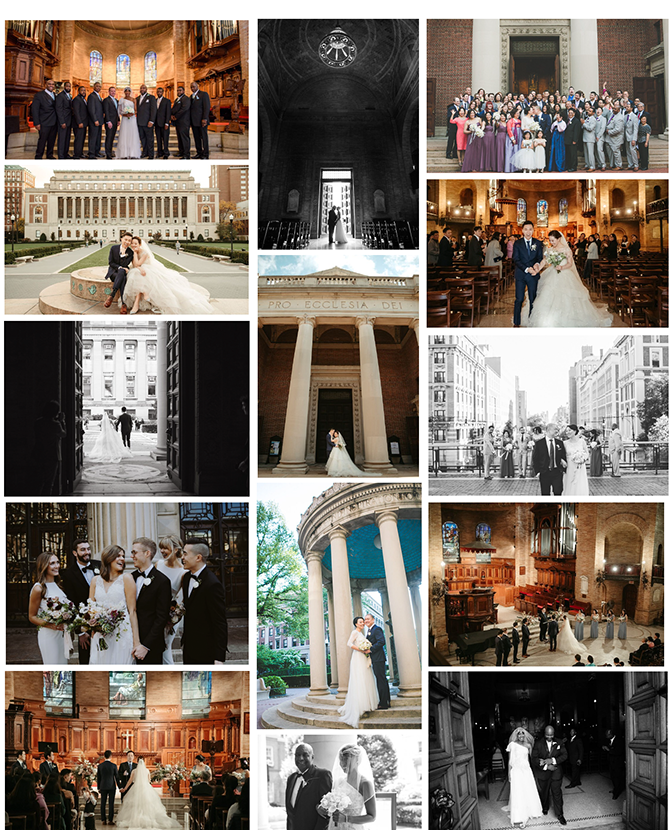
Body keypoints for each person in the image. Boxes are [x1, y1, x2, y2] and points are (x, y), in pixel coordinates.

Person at [520, 231, 612, 328]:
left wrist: (562, 267)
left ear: (559, 239)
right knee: (546, 293)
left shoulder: (566, 249)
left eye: (553, 240)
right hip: (552, 273)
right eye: (550, 240)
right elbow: (544, 260)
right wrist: (538, 268)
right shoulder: (550, 249)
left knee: (566, 296)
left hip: (564, 273)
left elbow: (570, 263)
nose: (551, 242)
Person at [124, 237, 214, 315]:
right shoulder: (133, 253)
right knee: (136, 273)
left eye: (135, 243)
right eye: (132, 243)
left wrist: (136, 258)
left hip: (148, 269)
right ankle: (144, 294)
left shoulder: (145, 253)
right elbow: (136, 265)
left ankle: (137, 303)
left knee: (136, 274)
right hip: (141, 270)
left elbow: (138, 264)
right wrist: (136, 258)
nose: (133, 245)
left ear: (140, 244)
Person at [88, 544, 139, 664]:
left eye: (123, 556)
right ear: (108, 558)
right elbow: (91, 609)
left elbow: (132, 611)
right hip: (100, 633)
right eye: (118, 556)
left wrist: (136, 641)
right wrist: (93, 629)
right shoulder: (95, 580)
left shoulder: (127, 578)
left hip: (122, 632)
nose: (122, 559)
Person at [181, 539, 228, 664]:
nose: (182, 557)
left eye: (185, 554)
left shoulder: (212, 584)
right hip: (189, 647)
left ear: (198, 557)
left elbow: (220, 622)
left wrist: (219, 657)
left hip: (206, 650)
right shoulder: (186, 578)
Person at [131, 537, 171, 664]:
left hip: (150, 646)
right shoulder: (129, 578)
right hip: (128, 641)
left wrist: (146, 646)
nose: (132, 556)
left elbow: (161, 617)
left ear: (147, 553)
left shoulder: (162, 581)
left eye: (134, 552)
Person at [317, 745, 376, 830]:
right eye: (341, 759)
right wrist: (324, 808)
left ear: (357, 760)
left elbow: (372, 817)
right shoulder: (339, 782)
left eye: (346, 759)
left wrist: (346, 819)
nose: (343, 763)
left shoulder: (365, 784)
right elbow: (333, 808)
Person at [28, 552, 70, 664]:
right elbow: (32, 617)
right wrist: (51, 625)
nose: (57, 566)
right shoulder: (39, 588)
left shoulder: (58, 585)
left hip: (61, 634)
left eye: (57, 562)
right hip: (48, 634)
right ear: (44, 566)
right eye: (52, 563)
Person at [117, 758, 181, 829]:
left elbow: (130, 781)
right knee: (147, 804)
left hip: (136, 788)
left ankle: (135, 819)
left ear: (137, 762)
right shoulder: (147, 771)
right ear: (144, 762)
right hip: (146, 788)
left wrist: (125, 788)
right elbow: (149, 781)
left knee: (136, 804)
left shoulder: (134, 771)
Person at [338, 617, 379, 727]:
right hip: (358, 657)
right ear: (356, 624)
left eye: (363, 622)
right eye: (360, 622)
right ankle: (360, 706)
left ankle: (367, 704)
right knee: (359, 679)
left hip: (364, 657)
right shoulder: (354, 632)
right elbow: (349, 643)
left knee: (366, 679)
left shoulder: (363, 634)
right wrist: (361, 650)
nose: (363, 623)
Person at [286, 743, 332, 830]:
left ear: (312, 757)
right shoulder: (291, 778)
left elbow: (326, 813)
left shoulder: (322, 775)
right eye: (297, 755)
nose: (300, 758)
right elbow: (290, 813)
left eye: (305, 755)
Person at [156, 535, 186, 664]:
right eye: (161, 548)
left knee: (165, 648)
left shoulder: (183, 572)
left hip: (171, 614)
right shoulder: (158, 564)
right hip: (154, 611)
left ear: (175, 549)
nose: (162, 551)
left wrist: (174, 618)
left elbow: (184, 600)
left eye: (165, 548)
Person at [507, 727, 543, 829]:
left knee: (527, 790)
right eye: (519, 734)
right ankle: (519, 817)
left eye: (523, 734)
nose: (521, 736)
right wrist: (509, 773)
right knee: (518, 792)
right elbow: (510, 761)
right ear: (516, 735)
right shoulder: (512, 745)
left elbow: (532, 758)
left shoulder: (528, 745)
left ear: (525, 735)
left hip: (526, 771)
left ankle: (529, 811)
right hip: (516, 771)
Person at [531, 726, 567, 826]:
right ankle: (545, 808)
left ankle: (560, 815)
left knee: (557, 793)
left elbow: (565, 755)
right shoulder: (538, 744)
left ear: (554, 733)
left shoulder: (559, 742)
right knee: (544, 792)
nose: (550, 737)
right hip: (543, 773)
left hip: (556, 772)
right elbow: (534, 759)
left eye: (551, 735)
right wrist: (546, 766)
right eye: (547, 735)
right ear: (544, 734)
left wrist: (553, 761)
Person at [512, 221, 544, 327]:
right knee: (519, 298)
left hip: (533, 275)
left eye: (530, 229)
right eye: (526, 229)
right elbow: (516, 259)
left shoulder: (538, 243)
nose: (528, 232)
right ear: (522, 230)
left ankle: (532, 321)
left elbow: (540, 257)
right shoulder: (517, 243)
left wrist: (536, 264)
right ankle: (516, 322)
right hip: (521, 274)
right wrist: (526, 269)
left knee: (532, 298)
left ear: (533, 230)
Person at [364, 613, 391, 709]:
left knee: (381, 680)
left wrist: (370, 649)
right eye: (365, 619)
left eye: (368, 619)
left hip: (379, 658)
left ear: (373, 620)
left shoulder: (377, 629)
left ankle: (384, 703)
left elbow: (381, 641)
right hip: (375, 659)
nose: (366, 620)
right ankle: (386, 701)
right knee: (381, 679)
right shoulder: (369, 631)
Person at [532, 423, 567, 496]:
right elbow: (535, 458)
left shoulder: (559, 443)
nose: (557, 430)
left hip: (557, 472)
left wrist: (563, 465)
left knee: (558, 492)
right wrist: (537, 471)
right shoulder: (539, 443)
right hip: (544, 472)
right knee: (545, 494)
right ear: (549, 430)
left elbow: (563, 455)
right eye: (555, 429)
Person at [103, 232, 134, 312]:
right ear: (121, 239)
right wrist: (120, 267)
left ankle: (112, 296)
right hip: (113, 272)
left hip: (121, 273)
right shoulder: (114, 248)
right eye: (125, 239)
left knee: (122, 276)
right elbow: (111, 262)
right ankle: (124, 304)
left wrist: (123, 254)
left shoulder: (130, 252)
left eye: (129, 241)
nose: (127, 242)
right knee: (122, 273)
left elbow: (125, 264)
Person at [32, 79, 58, 160]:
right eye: (49, 84)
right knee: (42, 141)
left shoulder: (55, 95)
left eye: (53, 84)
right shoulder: (39, 95)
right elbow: (35, 109)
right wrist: (36, 123)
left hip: (54, 122)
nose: (51, 85)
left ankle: (49, 155)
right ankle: (38, 156)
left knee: (52, 140)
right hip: (44, 122)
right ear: (45, 85)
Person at [563, 424, 590, 496]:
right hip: (570, 466)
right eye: (566, 431)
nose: (567, 432)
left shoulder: (582, 441)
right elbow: (562, 456)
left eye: (569, 430)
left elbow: (587, 452)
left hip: (580, 467)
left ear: (575, 431)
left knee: (580, 482)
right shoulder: (565, 443)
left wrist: (583, 459)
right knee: (570, 482)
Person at [117, 88, 142, 159]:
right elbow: (120, 110)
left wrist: (132, 113)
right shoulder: (122, 100)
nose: (127, 93)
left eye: (128, 92)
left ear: (130, 92)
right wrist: (125, 114)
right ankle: (124, 153)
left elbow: (136, 110)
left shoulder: (134, 100)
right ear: (124, 92)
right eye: (126, 92)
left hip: (132, 119)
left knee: (132, 134)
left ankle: (133, 153)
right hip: (125, 119)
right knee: (124, 135)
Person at [97, 750, 119, 826]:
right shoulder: (113, 766)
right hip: (111, 786)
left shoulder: (100, 766)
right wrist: (119, 786)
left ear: (104, 756)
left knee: (102, 803)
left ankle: (103, 820)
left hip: (103, 786)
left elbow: (98, 778)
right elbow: (116, 777)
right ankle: (110, 820)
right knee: (111, 804)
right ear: (111, 756)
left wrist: (98, 787)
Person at [190, 82, 211, 159]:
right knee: (196, 138)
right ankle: (199, 153)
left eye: (194, 87)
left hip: (202, 121)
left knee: (204, 138)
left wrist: (204, 118)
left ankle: (205, 154)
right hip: (194, 121)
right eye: (191, 87)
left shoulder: (203, 94)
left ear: (197, 86)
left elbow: (206, 107)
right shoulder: (191, 96)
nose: (193, 88)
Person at [602, 730, 626, 800]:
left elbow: (618, 751)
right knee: (612, 777)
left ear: (611, 734)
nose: (606, 736)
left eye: (607, 734)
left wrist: (608, 750)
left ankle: (616, 793)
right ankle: (615, 789)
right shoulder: (608, 740)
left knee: (617, 777)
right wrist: (604, 747)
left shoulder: (619, 741)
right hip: (611, 762)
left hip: (618, 763)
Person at [171, 85, 191, 158]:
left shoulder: (186, 99)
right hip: (178, 122)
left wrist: (175, 116)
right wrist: (171, 115)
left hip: (184, 121)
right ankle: (181, 152)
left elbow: (184, 109)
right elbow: (174, 108)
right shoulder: (177, 99)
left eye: (180, 90)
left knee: (185, 138)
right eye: (178, 90)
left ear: (183, 91)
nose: (179, 92)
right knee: (179, 138)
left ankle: (186, 154)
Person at [55, 81, 73, 160]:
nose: (68, 88)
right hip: (63, 121)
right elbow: (59, 109)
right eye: (67, 86)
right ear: (64, 87)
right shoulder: (60, 96)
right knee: (62, 139)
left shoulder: (69, 96)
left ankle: (66, 154)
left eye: (69, 86)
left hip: (69, 121)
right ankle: (61, 155)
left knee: (67, 138)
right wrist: (62, 121)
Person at [154, 88, 172, 159]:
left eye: (160, 91)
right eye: (158, 91)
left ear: (163, 92)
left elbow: (168, 113)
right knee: (158, 139)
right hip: (157, 123)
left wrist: (167, 123)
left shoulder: (167, 101)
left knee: (165, 139)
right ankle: (160, 152)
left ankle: (166, 153)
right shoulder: (155, 101)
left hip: (164, 123)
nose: (159, 92)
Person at [102, 86, 119, 159]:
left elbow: (117, 112)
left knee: (112, 138)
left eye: (114, 91)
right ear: (109, 92)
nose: (113, 92)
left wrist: (118, 120)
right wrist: (108, 121)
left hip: (115, 122)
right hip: (110, 122)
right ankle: (108, 154)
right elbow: (106, 111)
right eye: (111, 91)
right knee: (109, 138)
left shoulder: (116, 100)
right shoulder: (106, 100)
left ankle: (110, 152)